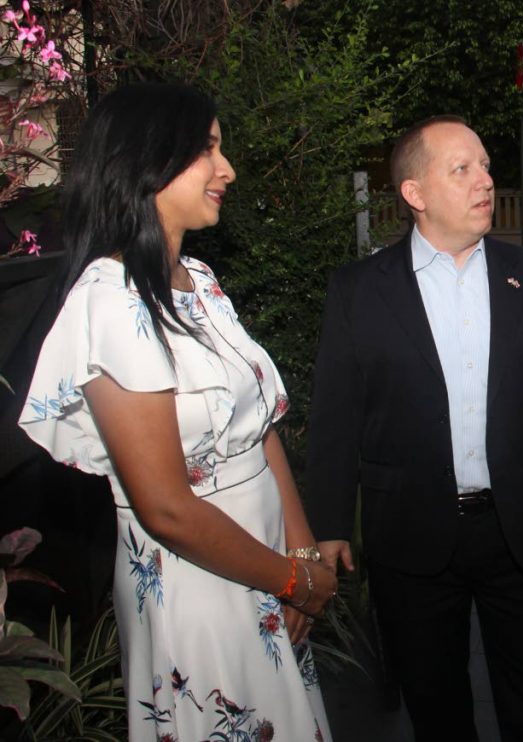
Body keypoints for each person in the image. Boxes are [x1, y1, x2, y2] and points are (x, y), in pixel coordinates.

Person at [18, 83, 338, 741]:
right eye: (208, 149)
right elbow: (166, 508)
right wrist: (291, 578)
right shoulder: (110, 303)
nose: (228, 170)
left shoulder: (199, 282)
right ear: (147, 163)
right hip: (200, 587)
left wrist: (299, 550)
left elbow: (259, 430)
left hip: (264, 569)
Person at [305, 115, 523, 741]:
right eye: (463, 169)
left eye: (485, 165)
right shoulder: (359, 291)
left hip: (518, 527)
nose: (485, 181)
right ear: (415, 194)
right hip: (411, 534)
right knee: (435, 701)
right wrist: (331, 523)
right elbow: (337, 413)